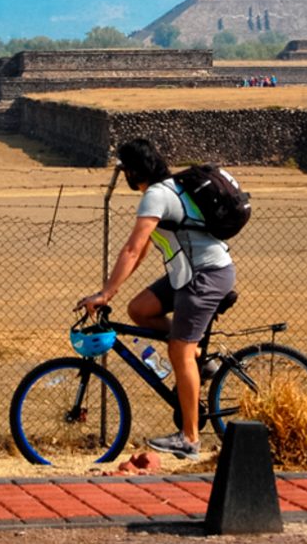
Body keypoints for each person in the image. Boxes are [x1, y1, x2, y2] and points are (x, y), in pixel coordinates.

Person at [76, 138, 236, 460]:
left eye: (125, 169)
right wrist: (115, 290)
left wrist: (105, 293)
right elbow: (144, 248)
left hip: (205, 275)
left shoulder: (157, 194)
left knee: (179, 351)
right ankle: (201, 359)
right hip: (188, 274)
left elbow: (132, 248)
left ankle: (189, 439)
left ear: (134, 170)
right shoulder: (168, 190)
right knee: (139, 310)